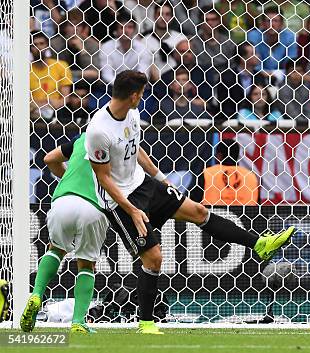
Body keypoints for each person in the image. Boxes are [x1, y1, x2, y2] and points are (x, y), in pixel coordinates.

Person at [85, 70, 295, 334]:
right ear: (134, 95)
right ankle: (146, 323)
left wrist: (162, 180)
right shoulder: (98, 131)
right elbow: (103, 179)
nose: (143, 98)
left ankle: (259, 244)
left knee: (198, 211)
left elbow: (136, 149)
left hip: (143, 184)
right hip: (120, 201)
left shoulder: (132, 114)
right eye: (142, 94)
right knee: (154, 258)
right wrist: (133, 210)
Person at [21, 133, 109, 334]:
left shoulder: (84, 138)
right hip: (93, 205)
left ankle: (36, 294)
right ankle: (78, 322)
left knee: (55, 249)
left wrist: (67, 177)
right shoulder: (120, 143)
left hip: (63, 200)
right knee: (86, 264)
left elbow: (49, 158)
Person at [202, 139, 258, 206]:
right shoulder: (251, 176)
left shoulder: (207, 173)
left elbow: (195, 201)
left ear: (219, 156)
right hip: (245, 216)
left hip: (213, 215)